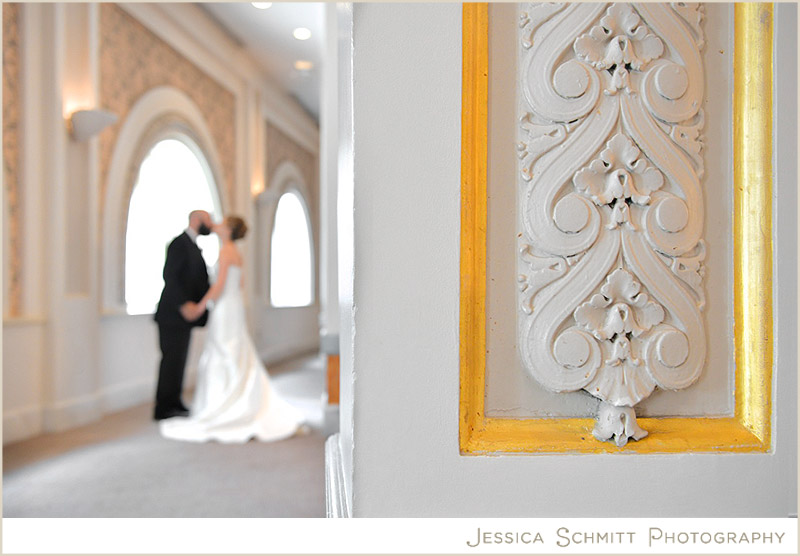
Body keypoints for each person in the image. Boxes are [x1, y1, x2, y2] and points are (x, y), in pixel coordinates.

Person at [159, 215, 305, 443]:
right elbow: (240, 284)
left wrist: (200, 306)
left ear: (228, 230)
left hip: (225, 308)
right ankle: (235, 400)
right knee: (233, 351)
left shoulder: (226, 251)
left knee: (223, 352)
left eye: (221, 222)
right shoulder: (236, 252)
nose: (216, 224)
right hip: (233, 306)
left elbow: (218, 286)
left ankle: (225, 405)